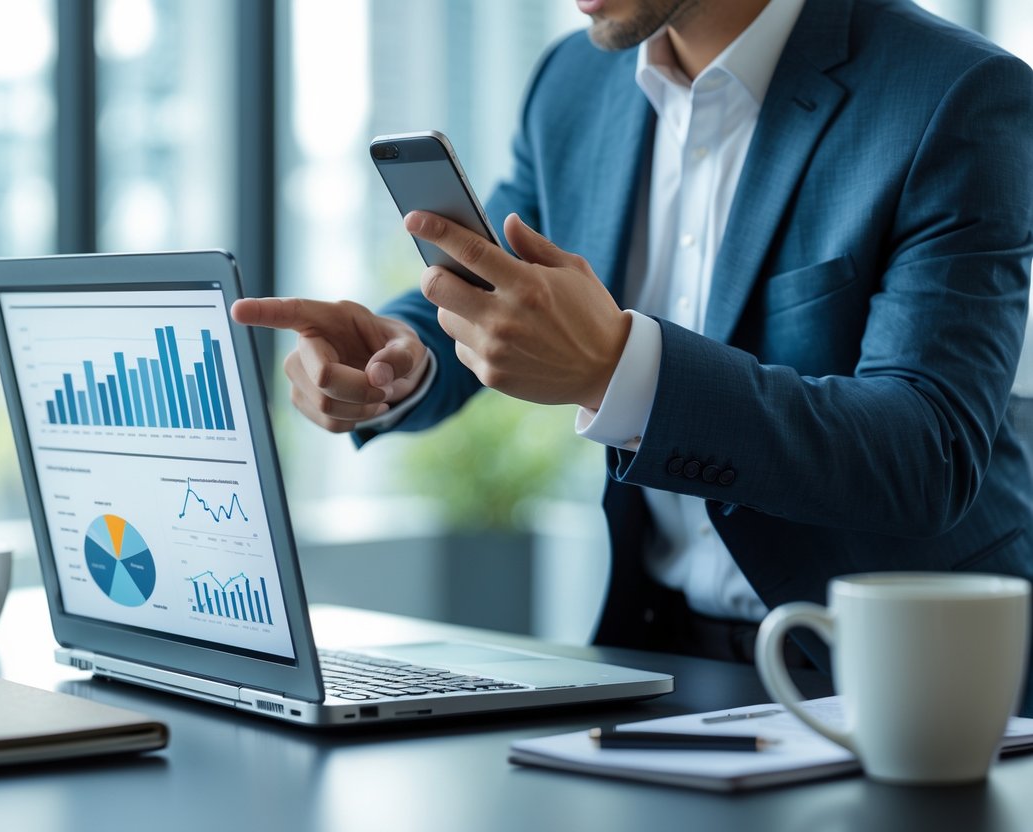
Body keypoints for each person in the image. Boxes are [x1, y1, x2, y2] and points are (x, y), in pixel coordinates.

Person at [233, 0, 1033, 712]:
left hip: (905, 681)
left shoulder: (954, 94)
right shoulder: (572, 82)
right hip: (661, 656)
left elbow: (929, 450)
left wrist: (619, 370)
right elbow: (495, 276)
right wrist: (397, 356)